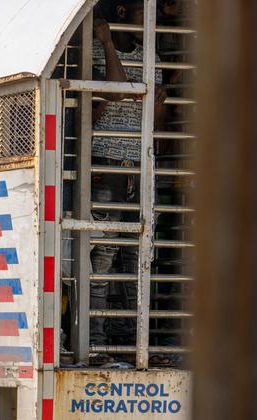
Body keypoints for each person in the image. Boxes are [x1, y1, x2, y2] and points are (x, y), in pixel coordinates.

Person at [88, 0, 167, 363]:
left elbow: (158, 124)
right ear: (121, 12)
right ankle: (97, 339)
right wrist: (105, 44)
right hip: (108, 167)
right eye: (140, 14)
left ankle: (133, 340)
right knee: (104, 253)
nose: (147, 21)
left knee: (138, 255)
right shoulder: (94, 54)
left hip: (140, 168)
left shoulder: (151, 59)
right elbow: (118, 92)